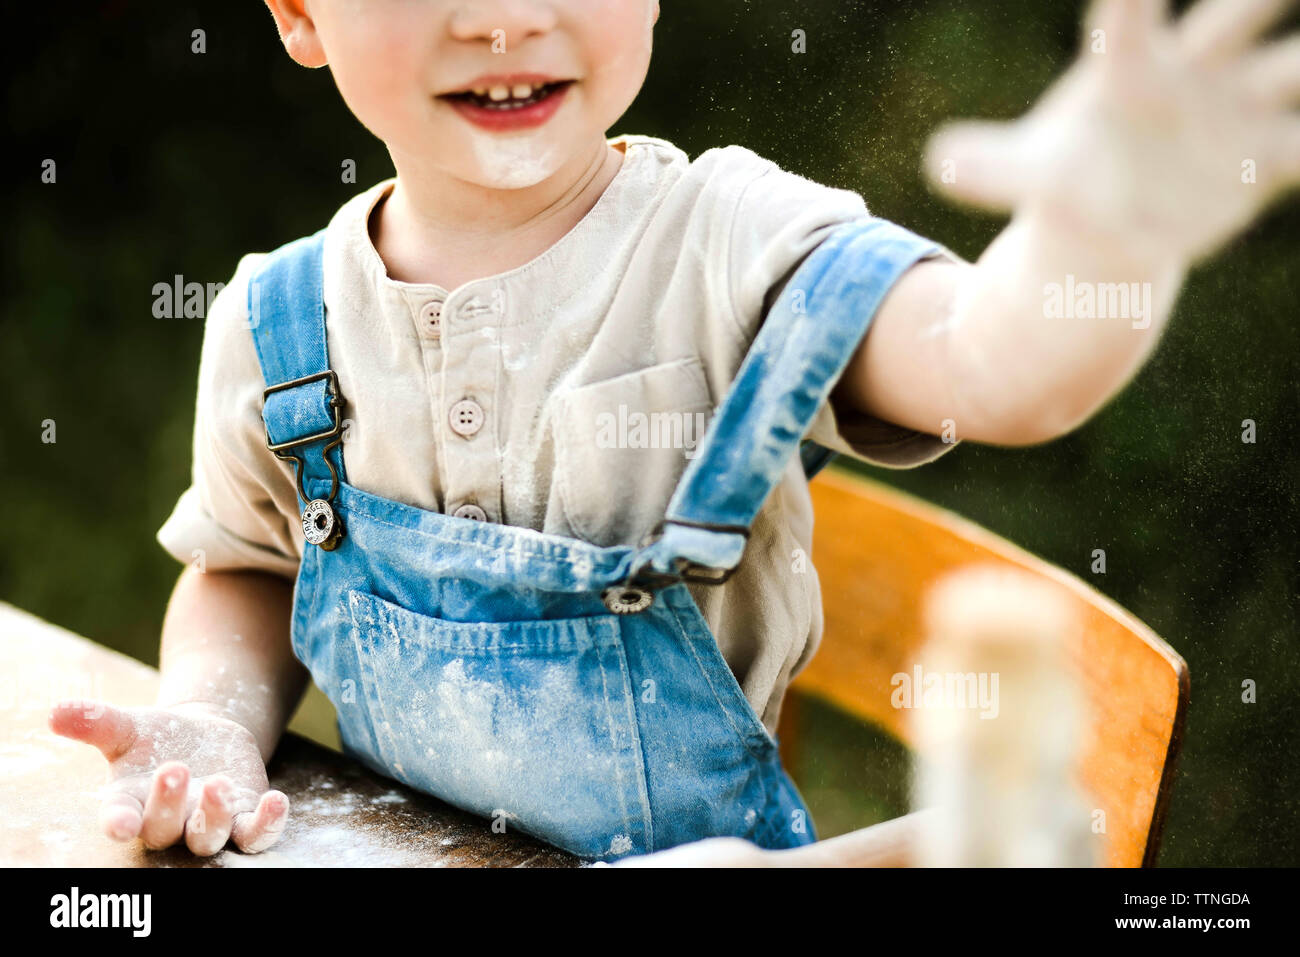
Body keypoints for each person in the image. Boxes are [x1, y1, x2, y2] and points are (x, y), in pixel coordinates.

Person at [50, 0, 1300, 862]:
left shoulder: (731, 249)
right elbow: (246, 569)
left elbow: (995, 363)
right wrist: (217, 713)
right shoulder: (281, 324)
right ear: (298, 15)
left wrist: (1103, 237)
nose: (506, 16)